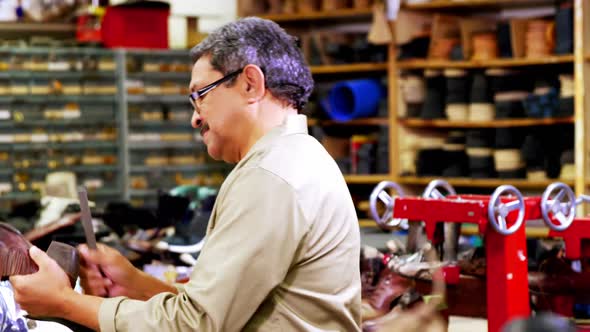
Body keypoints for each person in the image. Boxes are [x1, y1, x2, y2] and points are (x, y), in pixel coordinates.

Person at [10, 17, 362, 331]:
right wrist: (134, 284)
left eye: (200, 95)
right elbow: (222, 308)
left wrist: (66, 303)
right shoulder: (296, 159)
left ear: (250, 84)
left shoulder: (271, 176)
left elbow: (196, 326)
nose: (194, 117)